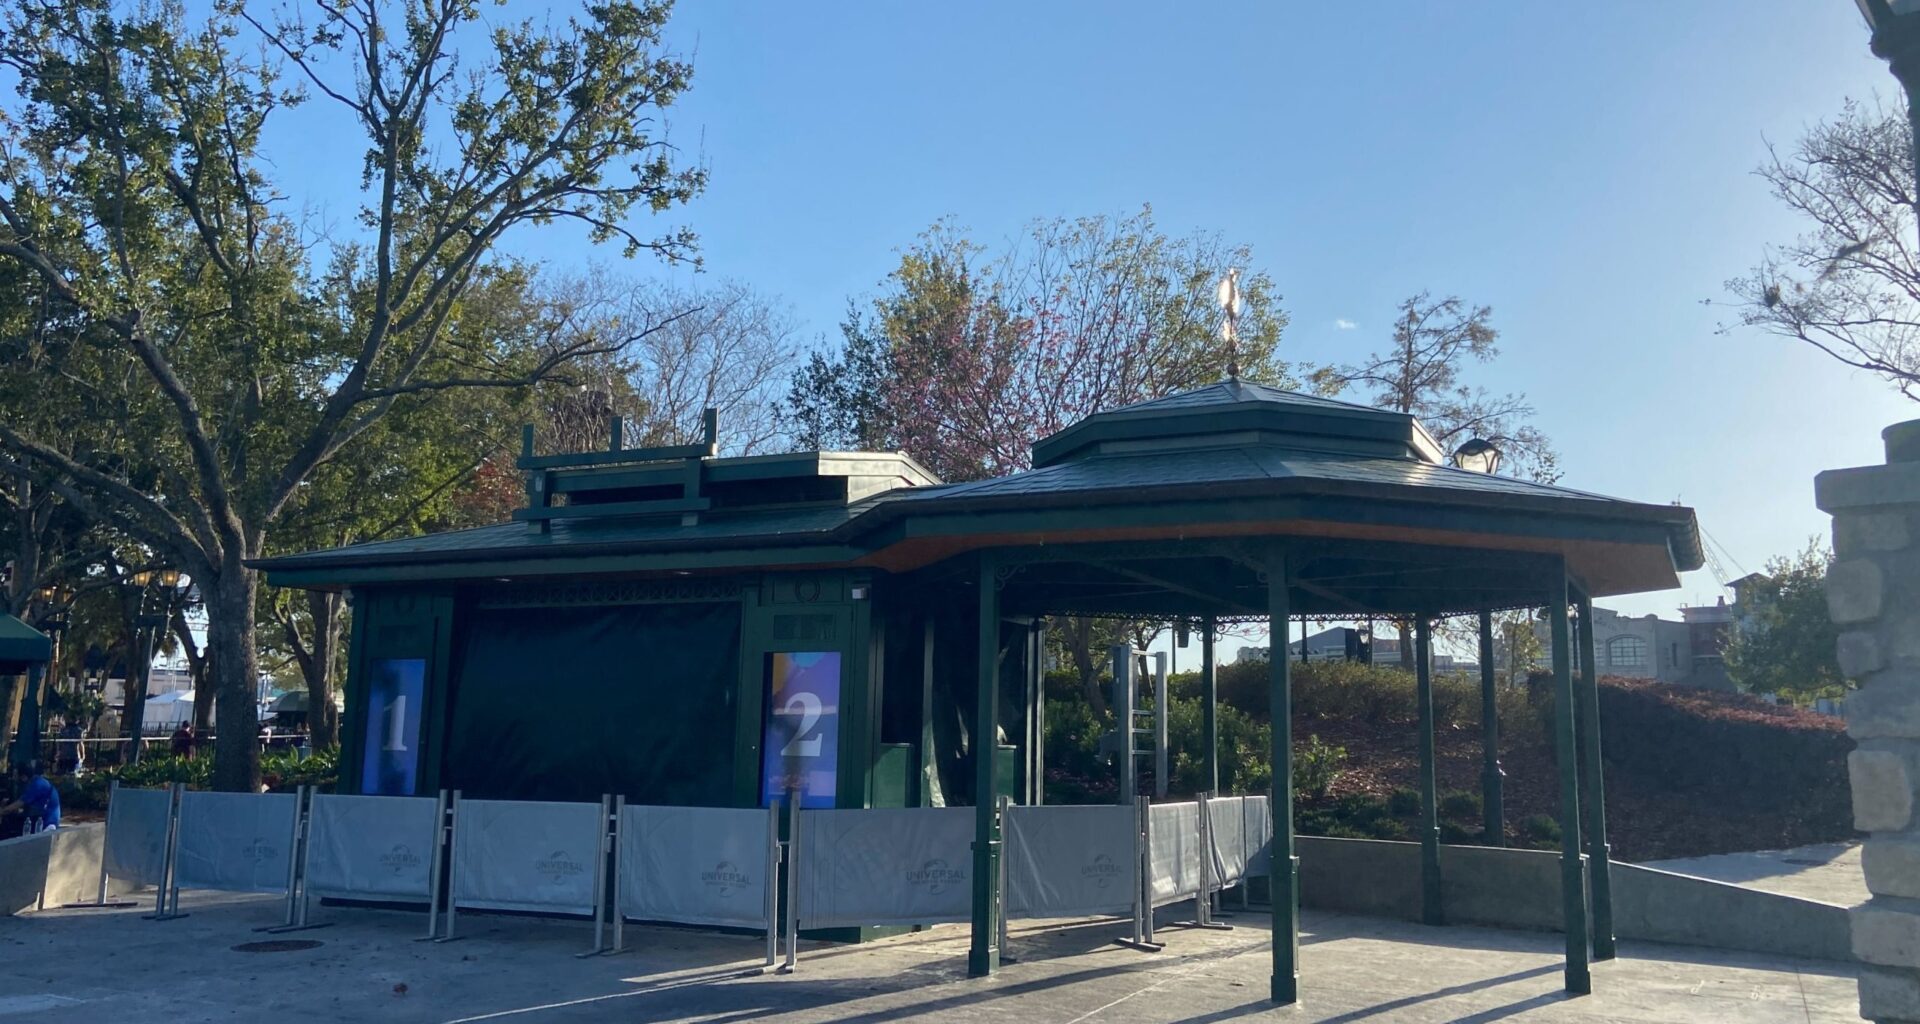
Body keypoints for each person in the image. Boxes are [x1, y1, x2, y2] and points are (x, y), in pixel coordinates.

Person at [1, 761, 61, 833]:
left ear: (24, 777)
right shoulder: (37, 781)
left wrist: (3, 811)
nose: (13, 779)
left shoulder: (37, 785)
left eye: (15, 776)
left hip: (45, 824)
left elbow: (19, 804)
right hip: (40, 819)